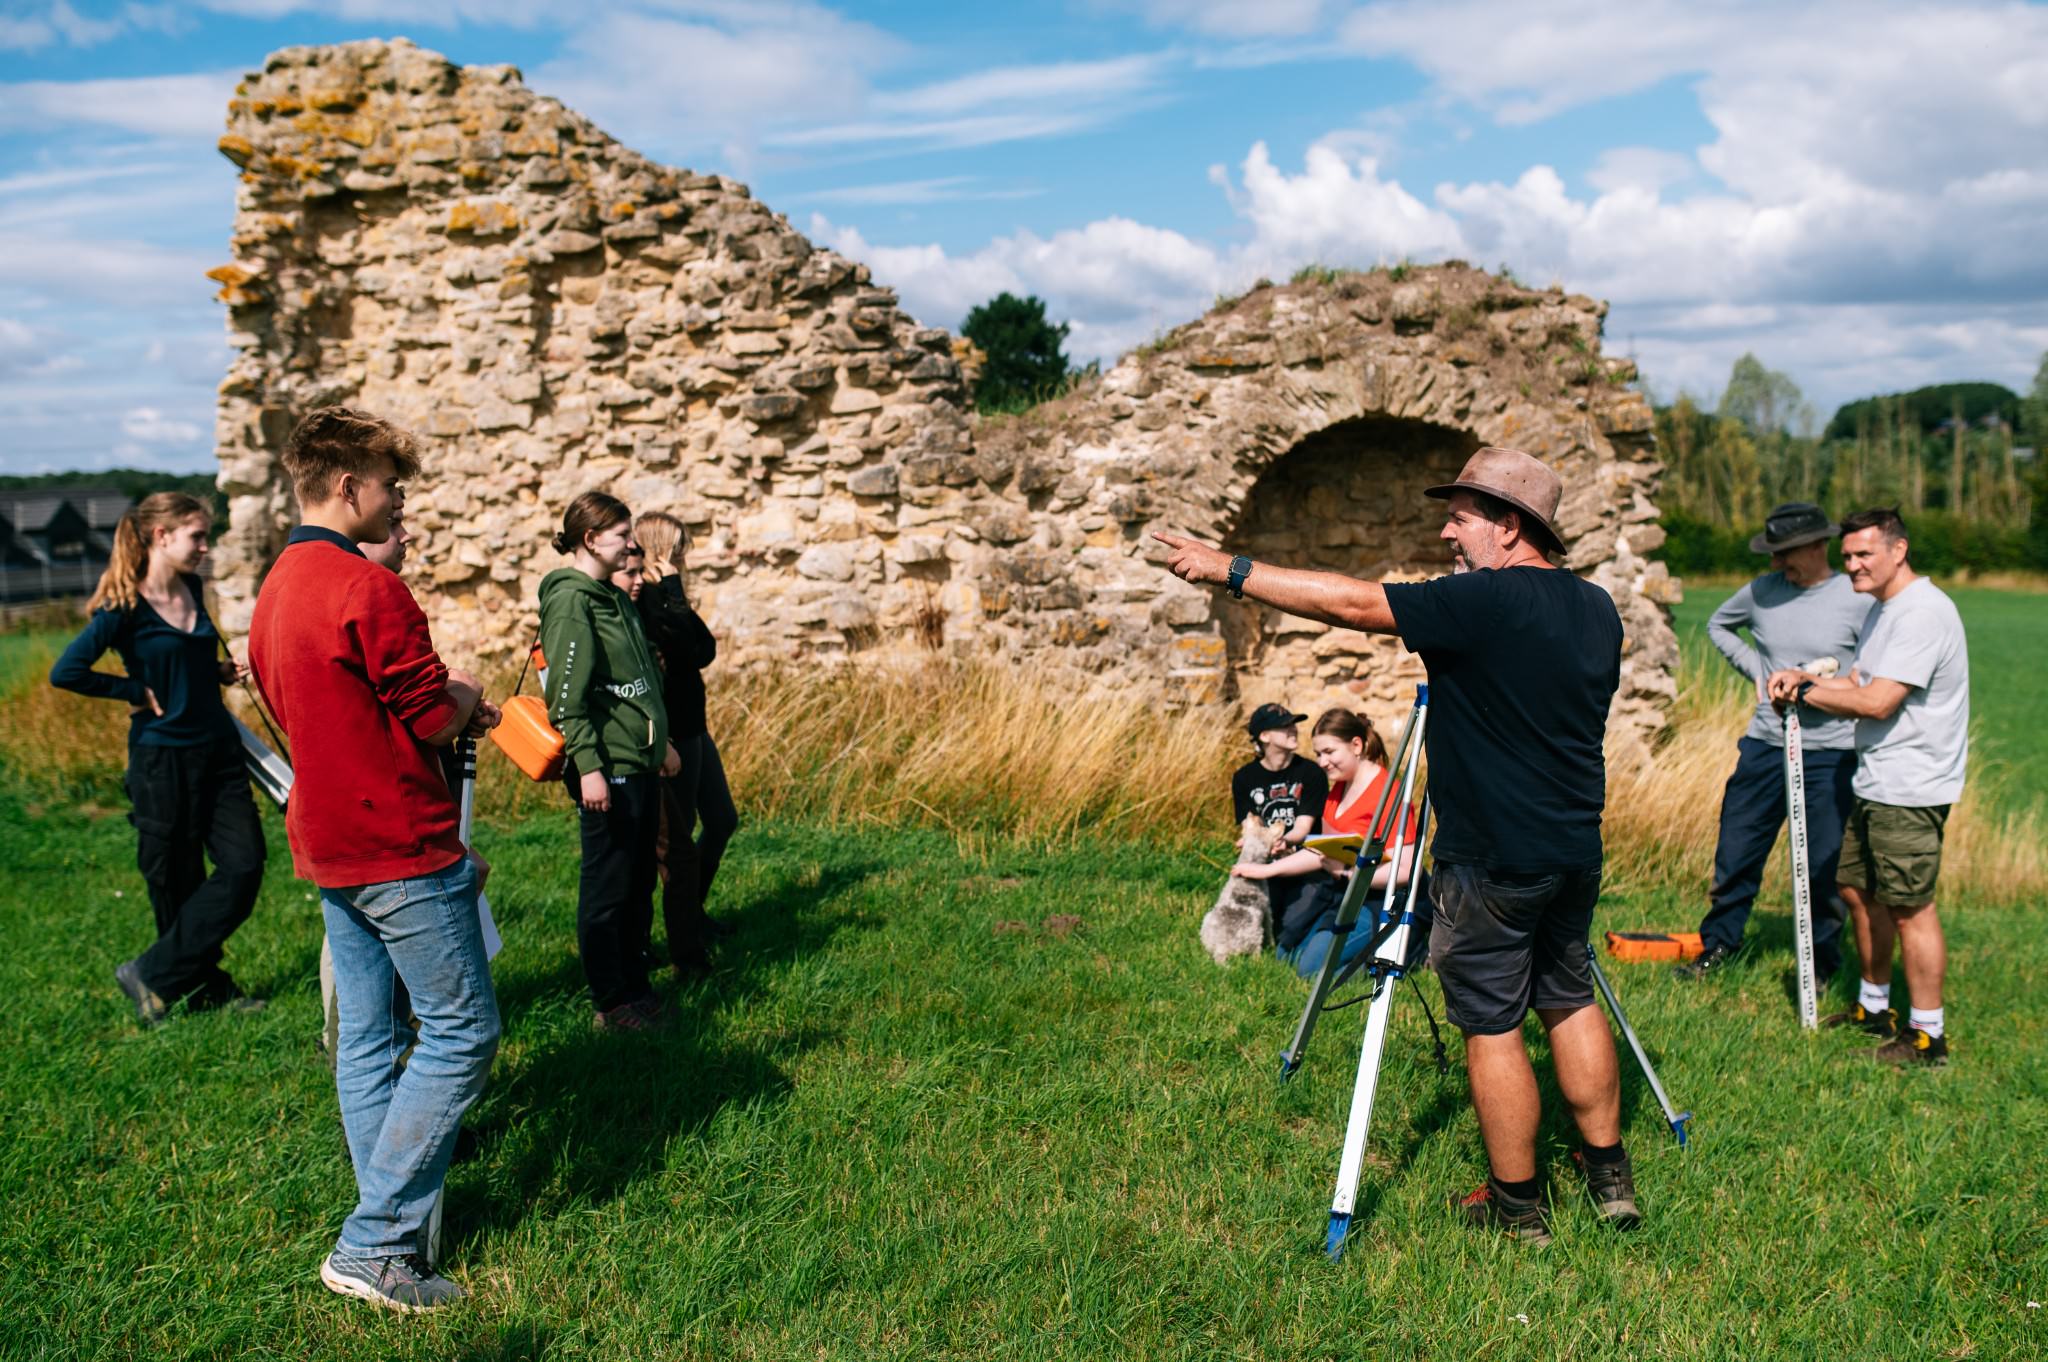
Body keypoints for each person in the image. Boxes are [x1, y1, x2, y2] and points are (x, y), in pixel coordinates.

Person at [1156, 445, 1635, 1245]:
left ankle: (1519, 1208)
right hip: (1574, 846)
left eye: (1460, 516)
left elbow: (1352, 604)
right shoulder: (1598, 607)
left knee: (1492, 1023)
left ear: (1511, 526)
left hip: (1492, 855)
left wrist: (1227, 569)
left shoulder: (1486, 600)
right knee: (1569, 996)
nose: (1448, 532)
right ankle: (1609, 1174)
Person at [248, 406, 501, 1313]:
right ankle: (376, 1242)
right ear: (348, 486)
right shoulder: (368, 587)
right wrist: (467, 694)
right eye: (391, 487)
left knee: (368, 1037)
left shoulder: (275, 586)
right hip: (395, 838)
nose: (398, 502)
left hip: (330, 840)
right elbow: (431, 714)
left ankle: (398, 1220)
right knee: (463, 1031)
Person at [50, 491, 268, 1026]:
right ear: (161, 537)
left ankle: (151, 971)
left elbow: (186, 663)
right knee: (174, 877)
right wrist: (132, 691)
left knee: (244, 865)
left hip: (218, 751)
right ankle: (204, 988)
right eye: (197, 536)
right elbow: (67, 671)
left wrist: (215, 672)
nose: (205, 547)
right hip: (160, 761)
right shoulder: (123, 608)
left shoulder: (194, 589)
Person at [1766, 508, 1968, 1067]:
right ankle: (1874, 1007)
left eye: (1863, 555)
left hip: (1912, 784)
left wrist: (1804, 696)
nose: (1851, 565)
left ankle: (1928, 1037)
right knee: (1858, 891)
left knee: (1910, 908)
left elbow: (1879, 700)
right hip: (1877, 778)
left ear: (1898, 551)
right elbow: (1858, 678)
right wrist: (1811, 678)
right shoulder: (1884, 610)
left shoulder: (1922, 614)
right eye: (1847, 555)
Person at [1677, 503, 1869, 985]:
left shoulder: (1856, 597)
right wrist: (1762, 678)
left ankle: (1822, 963)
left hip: (1832, 750)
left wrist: (1830, 688)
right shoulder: (1762, 593)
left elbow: (1872, 670)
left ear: (1816, 545)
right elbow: (1718, 625)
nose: (1776, 564)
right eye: (1773, 553)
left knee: (1825, 863)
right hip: (1766, 742)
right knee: (1737, 848)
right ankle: (1719, 945)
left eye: (1785, 553)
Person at [539, 492, 682, 1032]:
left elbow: (640, 680)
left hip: (638, 757)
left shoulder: (612, 594)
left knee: (639, 879)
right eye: (623, 535)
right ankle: (609, 1001)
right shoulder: (572, 600)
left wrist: (659, 742)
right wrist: (589, 765)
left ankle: (635, 986)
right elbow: (567, 696)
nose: (632, 544)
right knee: (608, 886)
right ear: (590, 539)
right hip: (607, 764)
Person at [629, 511, 739, 975]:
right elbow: (693, 651)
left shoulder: (667, 597)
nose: (685, 555)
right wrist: (673, 590)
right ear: (663, 550)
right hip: (673, 733)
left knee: (721, 820)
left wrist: (678, 596)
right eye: (680, 547)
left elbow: (704, 649)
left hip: (696, 728)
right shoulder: (648, 598)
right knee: (675, 845)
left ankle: (690, 916)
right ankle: (672, 942)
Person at [1234, 708, 1416, 979]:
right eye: (1318, 754)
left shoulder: (1389, 793)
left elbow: (1403, 872)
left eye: (1329, 752)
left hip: (1378, 900)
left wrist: (1346, 873)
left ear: (1356, 745)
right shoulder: (1338, 790)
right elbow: (1320, 851)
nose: (1322, 762)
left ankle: (1397, 959)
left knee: (1309, 971)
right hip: (1342, 893)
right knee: (1288, 956)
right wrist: (1266, 870)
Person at [1228, 702, 1327, 954]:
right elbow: (1249, 826)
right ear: (1264, 736)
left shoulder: (1311, 773)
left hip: (1303, 865)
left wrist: (1286, 842)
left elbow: (1303, 826)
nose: (1293, 729)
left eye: (1293, 724)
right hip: (1265, 864)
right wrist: (1254, 843)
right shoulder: (1244, 778)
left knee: (1288, 934)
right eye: (1284, 726)